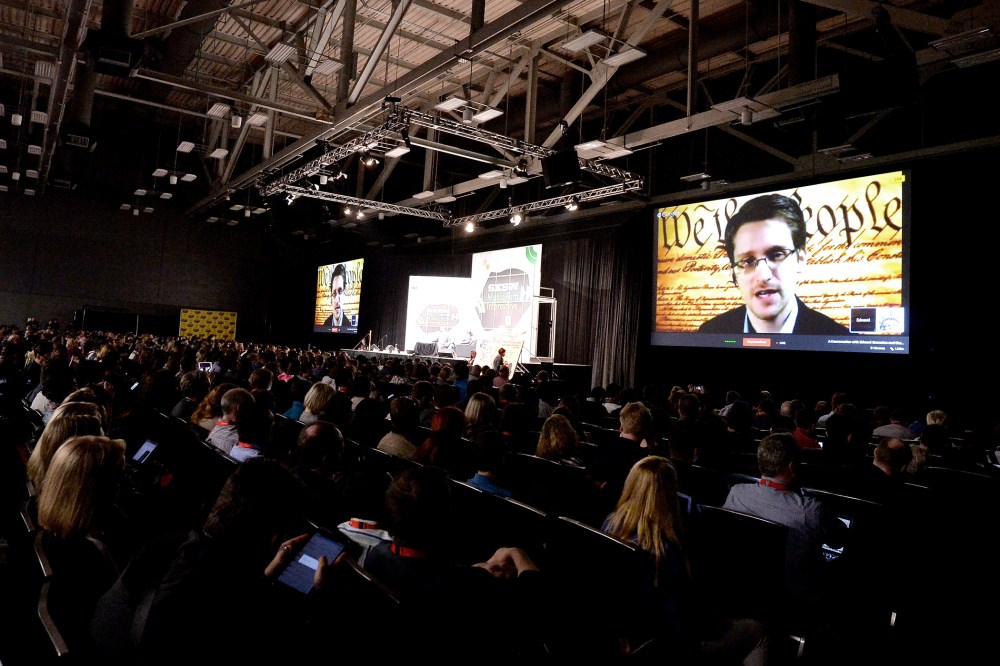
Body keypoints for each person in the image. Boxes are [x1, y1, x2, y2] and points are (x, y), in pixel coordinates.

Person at [602, 456, 768, 665]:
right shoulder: (667, 548)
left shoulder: (610, 523)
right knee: (757, 632)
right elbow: (680, 621)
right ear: (669, 494)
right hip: (669, 646)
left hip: (629, 637)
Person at [723, 432, 848, 605]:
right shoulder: (810, 510)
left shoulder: (736, 492)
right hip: (799, 599)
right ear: (792, 466)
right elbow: (839, 540)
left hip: (746, 587)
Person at [698, 193, 850, 334]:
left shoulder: (839, 337)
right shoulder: (709, 333)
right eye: (748, 261)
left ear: (801, 259)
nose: (764, 276)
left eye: (776, 255)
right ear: (733, 272)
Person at [322, 263, 354, 329]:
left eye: (340, 292)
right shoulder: (325, 325)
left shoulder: (349, 326)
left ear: (344, 294)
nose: (337, 300)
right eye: (334, 293)